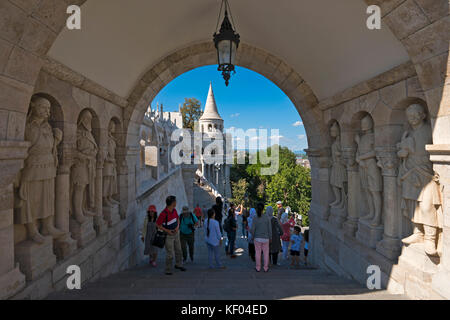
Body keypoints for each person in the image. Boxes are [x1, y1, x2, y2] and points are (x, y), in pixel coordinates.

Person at [156, 195, 186, 275]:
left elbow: (177, 219)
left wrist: (177, 227)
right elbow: (158, 224)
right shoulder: (163, 213)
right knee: (170, 253)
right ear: (172, 203)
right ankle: (168, 269)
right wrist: (167, 231)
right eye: (175, 201)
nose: (176, 203)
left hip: (176, 233)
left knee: (179, 250)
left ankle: (178, 264)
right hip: (168, 235)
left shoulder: (174, 210)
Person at [250, 203, 272, 272]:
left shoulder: (255, 217)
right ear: (263, 209)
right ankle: (266, 267)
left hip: (257, 238)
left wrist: (252, 236)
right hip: (266, 238)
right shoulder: (267, 217)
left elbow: (253, 229)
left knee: (258, 253)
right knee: (266, 253)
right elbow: (269, 228)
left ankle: (258, 267)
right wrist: (270, 237)